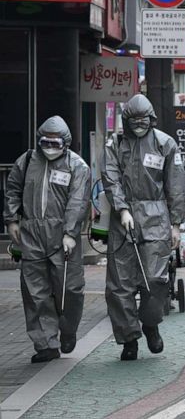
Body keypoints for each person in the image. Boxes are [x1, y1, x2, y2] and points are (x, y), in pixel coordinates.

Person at [102, 94, 185, 361]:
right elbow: (110, 177)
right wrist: (122, 208)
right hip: (123, 221)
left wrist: (175, 224)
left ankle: (150, 324)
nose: (139, 125)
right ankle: (129, 339)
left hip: (156, 218)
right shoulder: (115, 144)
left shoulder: (165, 144)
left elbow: (176, 186)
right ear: (126, 121)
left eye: (143, 121)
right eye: (134, 121)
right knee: (120, 286)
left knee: (155, 280)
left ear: (151, 120)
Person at [4, 116, 90, 363]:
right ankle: (45, 343)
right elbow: (13, 189)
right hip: (32, 233)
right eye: (46, 142)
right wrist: (11, 220)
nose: (50, 147)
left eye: (55, 143)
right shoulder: (28, 160)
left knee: (70, 289)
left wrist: (70, 233)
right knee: (35, 291)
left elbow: (78, 201)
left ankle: (68, 330)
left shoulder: (77, 166)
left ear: (66, 143)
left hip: (63, 235)